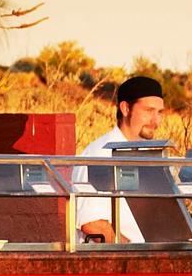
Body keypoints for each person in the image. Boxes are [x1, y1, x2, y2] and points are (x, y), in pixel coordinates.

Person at [70, 75, 173, 243]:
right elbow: (92, 224)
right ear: (125, 108)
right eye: (148, 111)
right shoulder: (100, 154)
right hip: (116, 264)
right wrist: (134, 254)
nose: (156, 121)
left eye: (159, 112)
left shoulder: (147, 156)